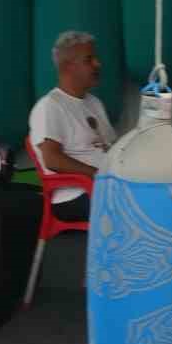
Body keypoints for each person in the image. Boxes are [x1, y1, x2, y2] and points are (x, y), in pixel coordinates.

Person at [28, 31, 116, 221]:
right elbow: (52, 159)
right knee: (145, 203)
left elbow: (110, 146)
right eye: (89, 59)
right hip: (75, 196)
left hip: (108, 185)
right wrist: (97, 174)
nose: (97, 64)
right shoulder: (50, 106)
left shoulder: (95, 103)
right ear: (68, 66)